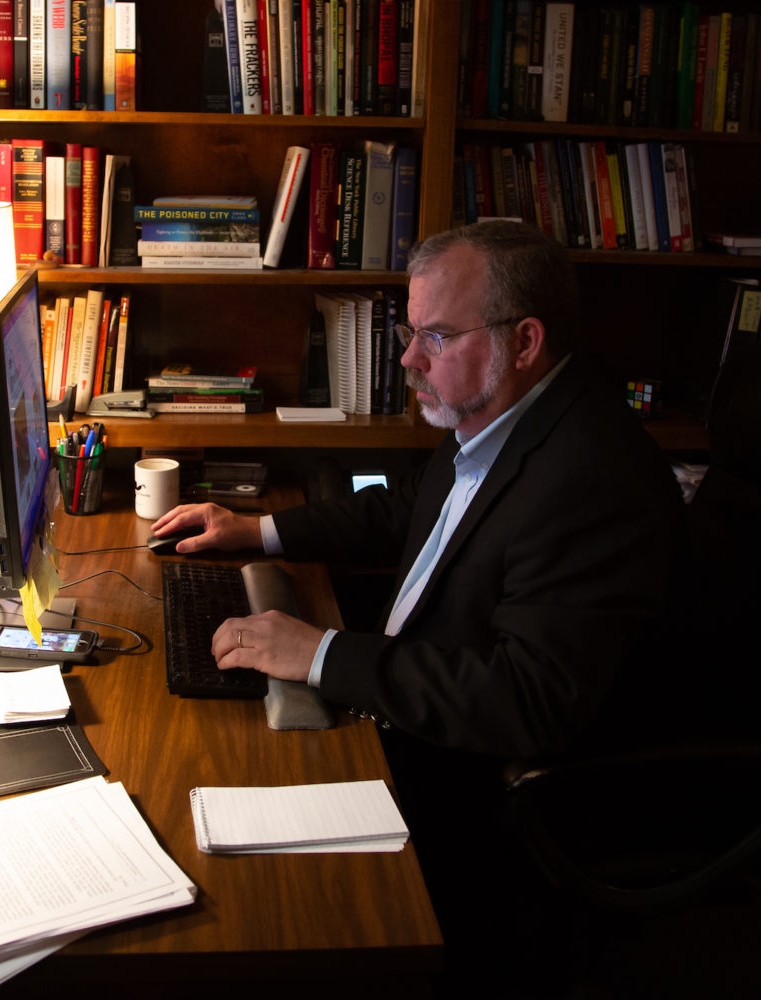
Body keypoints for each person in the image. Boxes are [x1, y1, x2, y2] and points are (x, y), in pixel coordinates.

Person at [150, 220, 684, 974]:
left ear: (523, 342)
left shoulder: (590, 481)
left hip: (474, 781)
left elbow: (528, 701)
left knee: (237, 881)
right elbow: (411, 509)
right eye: (410, 330)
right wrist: (260, 531)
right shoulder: (507, 412)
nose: (407, 357)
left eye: (435, 336)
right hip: (412, 692)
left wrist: (323, 654)